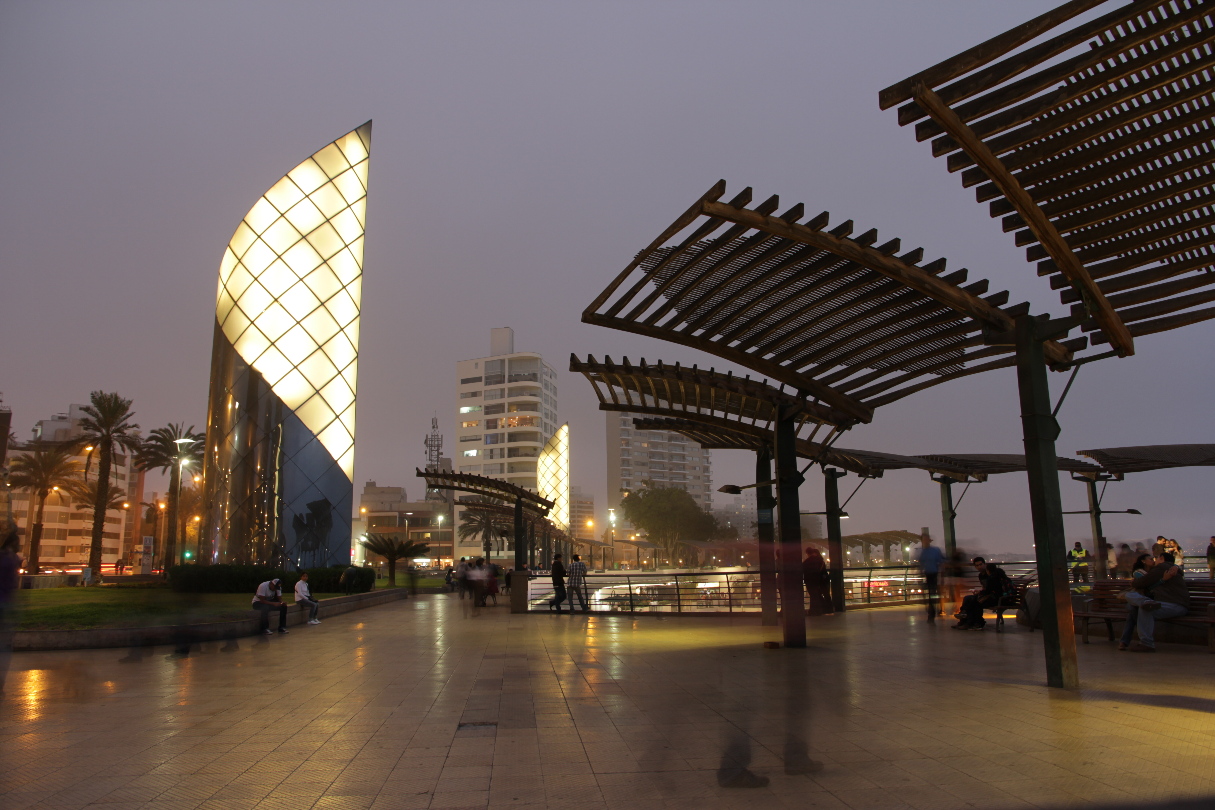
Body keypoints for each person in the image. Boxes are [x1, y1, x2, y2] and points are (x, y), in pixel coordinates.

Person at [1120, 550, 1189, 652]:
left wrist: (1134, 583)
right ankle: (1144, 643)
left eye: (1156, 558)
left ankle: (1144, 643)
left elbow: (1142, 583)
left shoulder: (1161, 568)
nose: (1154, 560)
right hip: (1175, 605)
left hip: (1174, 605)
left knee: (1132, 598)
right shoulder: (1169, 568)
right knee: (1145, 607)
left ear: (1161, 559)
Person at [953, 558, 1012, 631]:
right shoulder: (982, 575)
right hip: (991, 596)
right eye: (977, 565)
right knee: (967, 598)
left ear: (985, 565)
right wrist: (980, 592)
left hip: (995, 598)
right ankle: (964, 619)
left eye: (981, 564)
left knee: (974, 601)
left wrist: (980, 593)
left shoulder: (992, 576)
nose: (979, 567)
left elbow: (990, 589)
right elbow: (987, 589)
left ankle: (971, 621)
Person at [916, 531, 944, 623]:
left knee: (932, 593)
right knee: (930, 594)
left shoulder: (934, 550)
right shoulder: (922, 552)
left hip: (934, 574)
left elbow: (941, 561)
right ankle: (932, 610)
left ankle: (932, 611)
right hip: (927, 574)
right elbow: (921, 564)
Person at [802, 546, 832, 616]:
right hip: (819, 580)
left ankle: (814, 610)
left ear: (807, 553)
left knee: (813, 596)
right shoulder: (820, 560)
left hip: (809, 581)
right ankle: (823, 609)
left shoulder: (806, 562)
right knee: (819, 595)